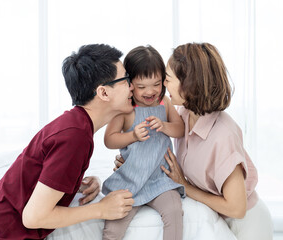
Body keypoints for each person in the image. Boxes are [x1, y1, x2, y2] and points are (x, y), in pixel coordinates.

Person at [0, 44, 135, 240]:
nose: (132, 86)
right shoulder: (75, 136)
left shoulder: (76, 126)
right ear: (103, 93)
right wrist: (102, 209)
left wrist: (80, 183)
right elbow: (34, 217)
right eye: (126, 79)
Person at [116, 43, 273, 240]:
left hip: (245, 225)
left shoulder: (223, 135)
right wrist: (135, 164)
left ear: (189, 84)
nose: (163, 85)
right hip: (214, 216)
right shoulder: (185, 114)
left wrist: (184, 186)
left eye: (168, 79)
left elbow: (237, 208)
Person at [101, 45, 185, 240]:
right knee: (114, 224)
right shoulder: (126, 108)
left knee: (174, 211)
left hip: (160, 180)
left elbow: (180, 130)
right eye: (141, 87)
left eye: (156, 84)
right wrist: (133, 136)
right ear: (130, 84)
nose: (150, 91)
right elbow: (109, 139)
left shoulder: (165, 102)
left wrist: (164, 126)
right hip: (131, 180)